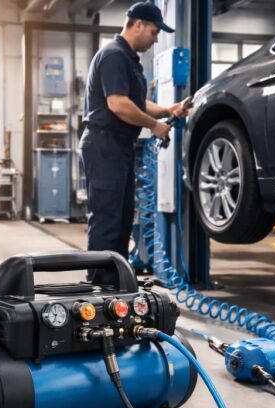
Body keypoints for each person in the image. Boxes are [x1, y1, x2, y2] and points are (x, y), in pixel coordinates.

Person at [79, 2, 189, 284]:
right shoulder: (114, 56)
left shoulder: (127, 59)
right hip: (104, 146)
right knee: (107, 220)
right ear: (137, 24)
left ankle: (114, 284)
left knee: (122, 219)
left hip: (118, 147)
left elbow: (136, 103)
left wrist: (168, 111)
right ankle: (98, 287)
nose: (155, 39)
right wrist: (154, 126)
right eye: (153, 32)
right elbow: (118, 105)